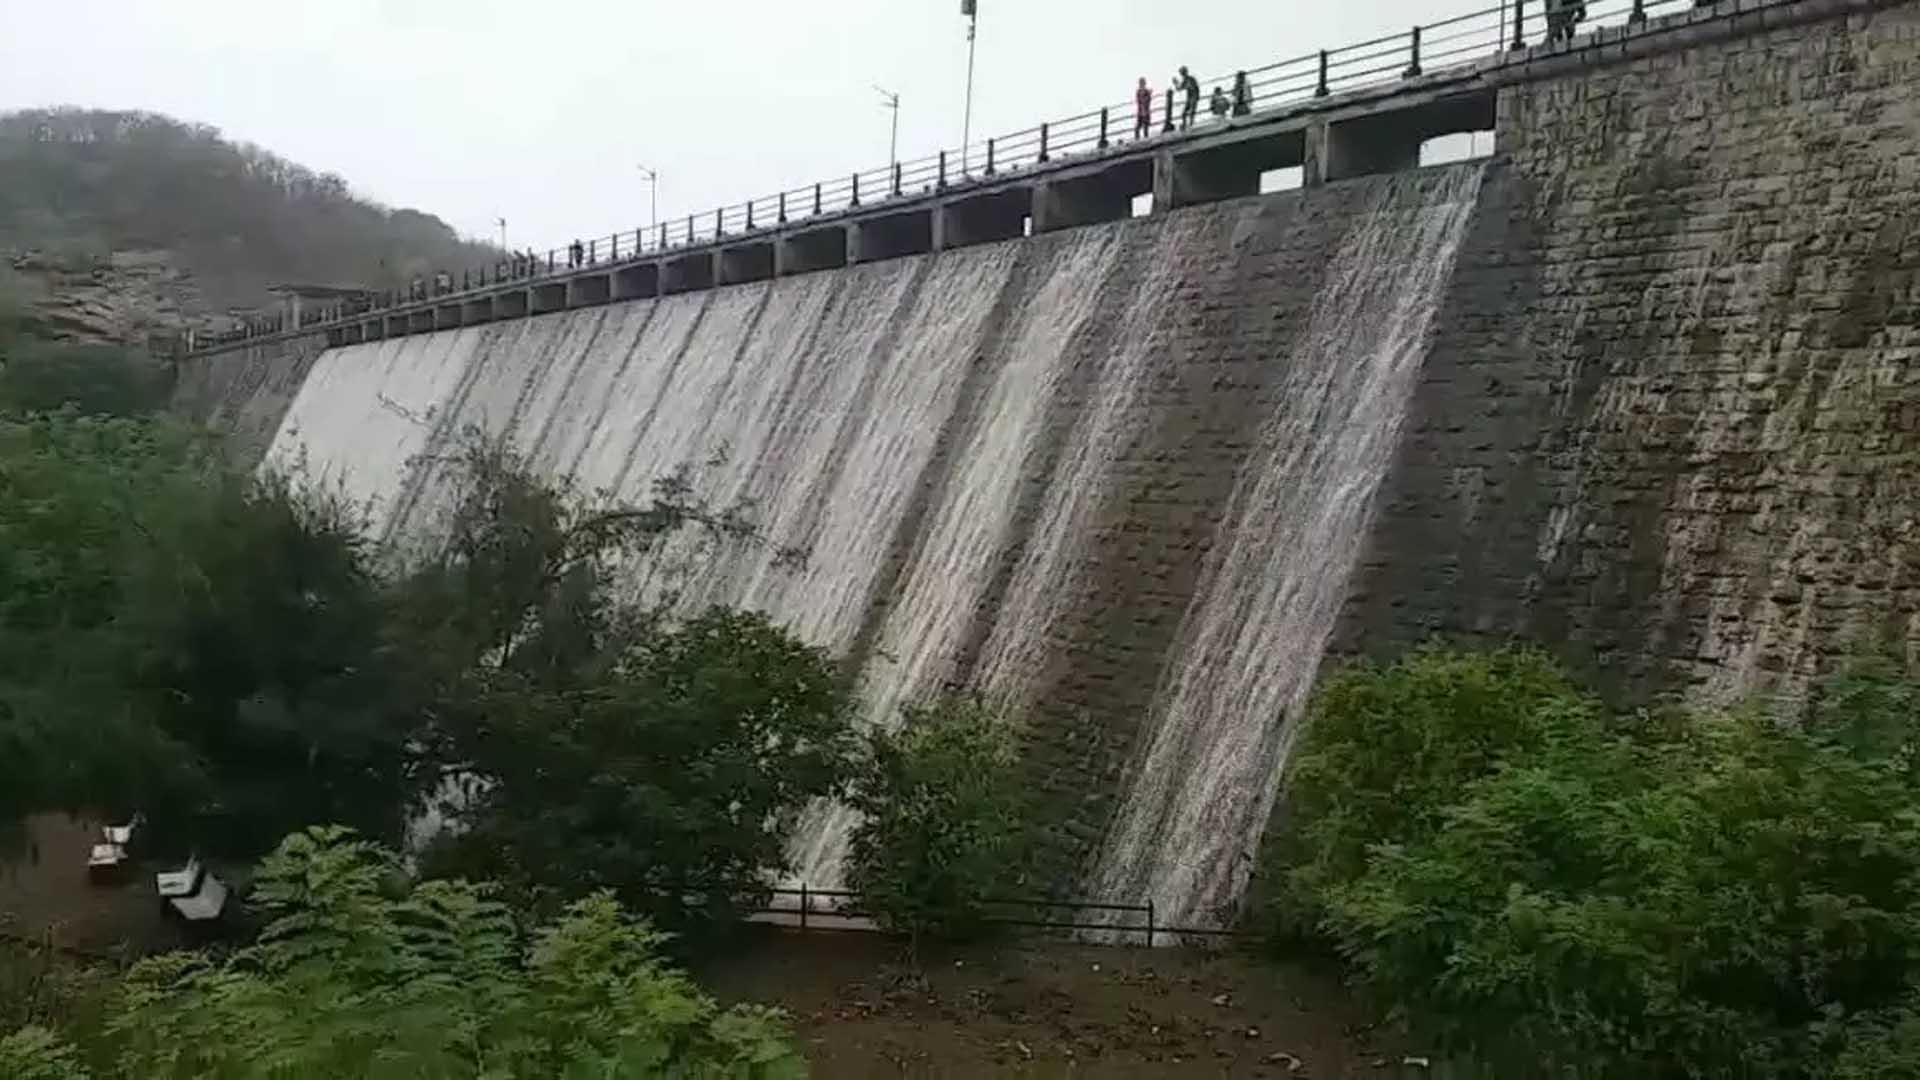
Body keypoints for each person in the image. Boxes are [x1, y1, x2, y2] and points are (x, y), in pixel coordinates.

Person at [1176, 66, 1201, 130]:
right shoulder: (1185, 80)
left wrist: (1197, 96)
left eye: (1182, 73)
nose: (1182, 74)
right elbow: (1179, 88)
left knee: (1192, 112)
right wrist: (1176, 83)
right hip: (1189, 98)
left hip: (1194, 97)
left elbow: (1194, 87)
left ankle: (1191, 125)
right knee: (1184, 113)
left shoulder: (1191, 79)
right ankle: (1185, 125)